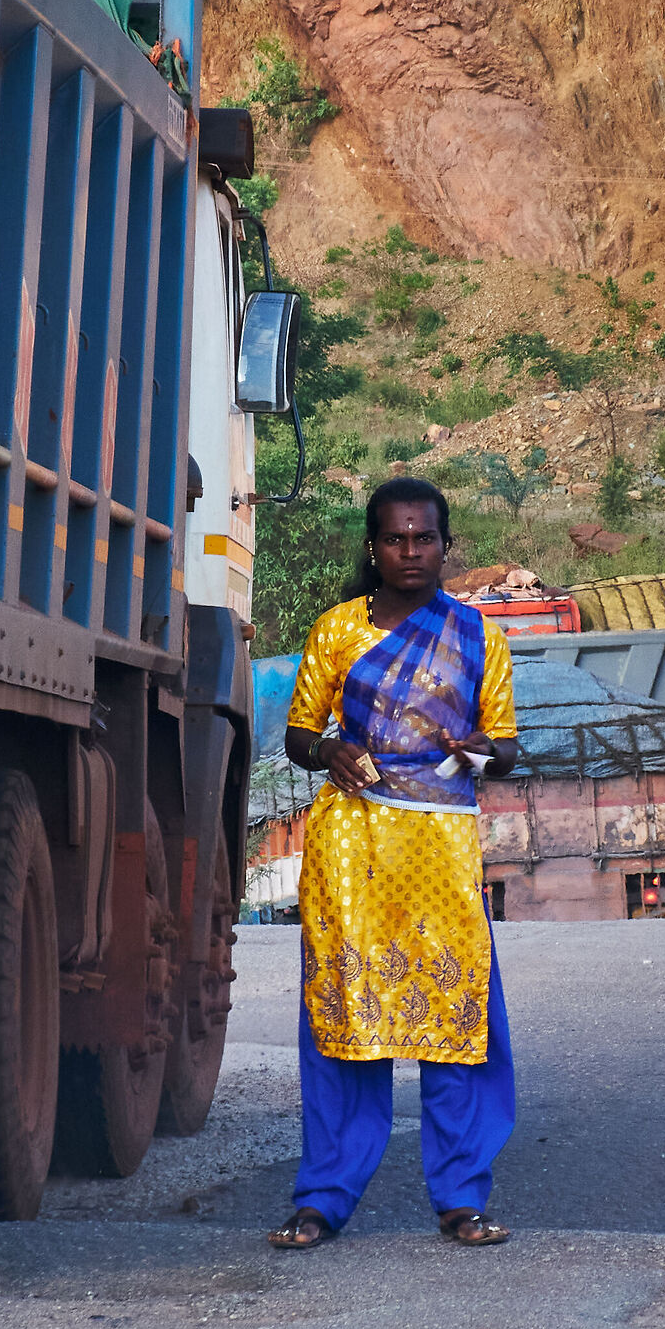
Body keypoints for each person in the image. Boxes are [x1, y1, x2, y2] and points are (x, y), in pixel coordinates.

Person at [269, 477, 519, 1250]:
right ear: (373, 548)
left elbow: (505, 746)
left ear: (446, 545)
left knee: (461, 1019)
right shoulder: (336, 632)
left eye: (425, 538)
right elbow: (298, 736)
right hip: (353, 849)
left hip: (441, 849)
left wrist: (483, 752)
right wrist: (331, 749)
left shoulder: (480, 636)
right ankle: (323, 1198)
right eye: (395, 539)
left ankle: (460, 1198)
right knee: (344, 1020)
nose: (411, 552)